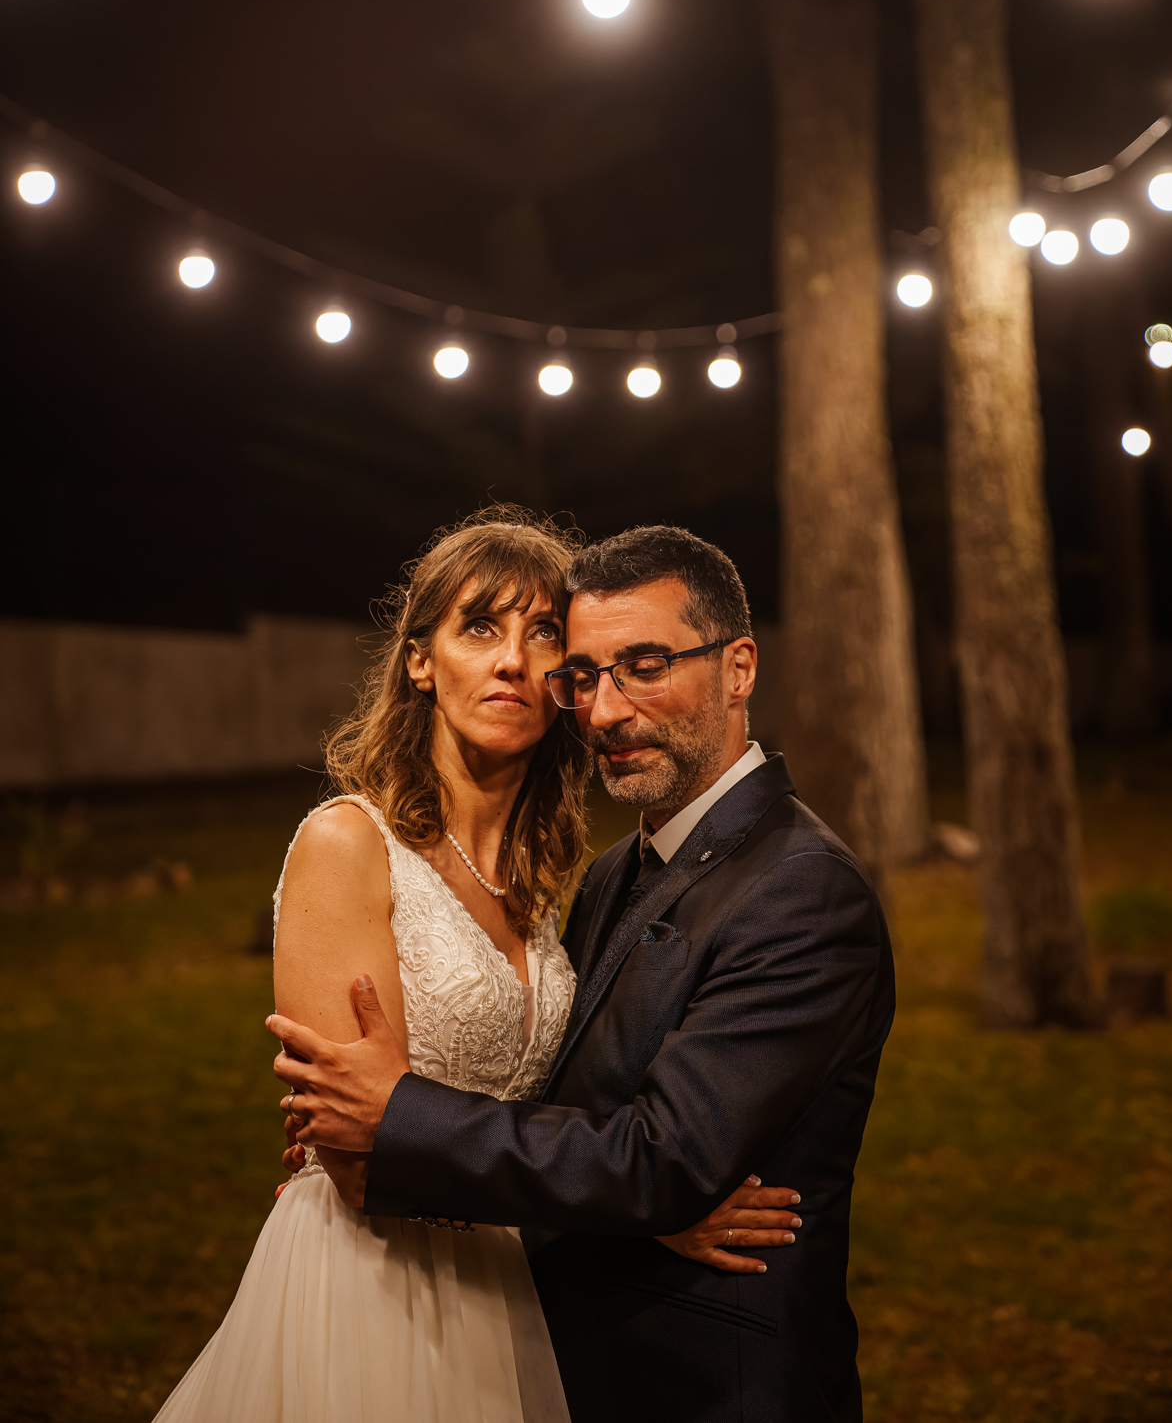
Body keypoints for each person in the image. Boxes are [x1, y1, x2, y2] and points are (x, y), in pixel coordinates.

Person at [154, 510, 799, 1423]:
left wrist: (642, 1196)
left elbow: (564, 1105)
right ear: (421, 660)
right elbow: (357, 1160)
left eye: (543, 636)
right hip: (370, 1288)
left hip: (506, 1298)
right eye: (479, 627)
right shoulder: (348, 845)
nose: (512, 662)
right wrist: (640, 1213)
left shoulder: (547, 883)